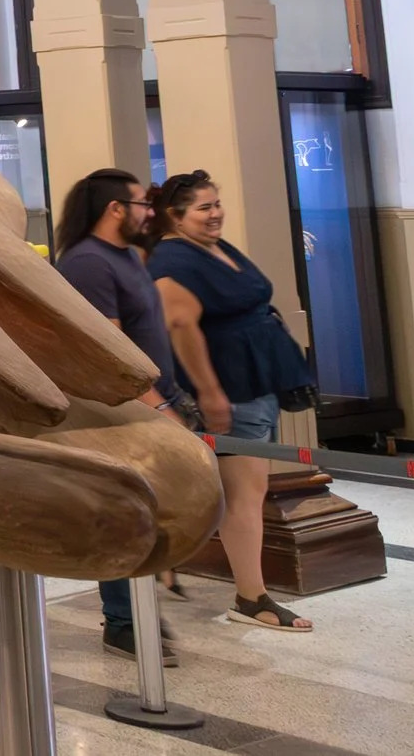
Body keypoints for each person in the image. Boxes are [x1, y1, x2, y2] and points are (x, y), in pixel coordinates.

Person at [149, 170, 318, 634]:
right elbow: (181, 329)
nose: (215, 213)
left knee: (248, 492)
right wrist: (211, 393)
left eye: (216, 204)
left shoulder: (214, 248)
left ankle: (194, 569)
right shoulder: (173, 261)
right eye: (203, 207)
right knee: (244, 496)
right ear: (175, 216)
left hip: (258, 381)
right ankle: (252, 596)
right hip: (232, 390)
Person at [54, 169, 187, 662]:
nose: (149, 212)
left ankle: (142, 608)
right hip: (123, 414)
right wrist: (159, 407)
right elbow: (109, 353)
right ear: (115, 210)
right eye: (140, 203)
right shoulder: (88, 264)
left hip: (152, 403)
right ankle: (124, 621)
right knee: (121, 514)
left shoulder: (126, 256)